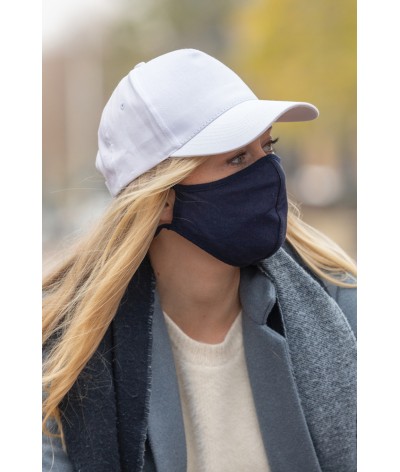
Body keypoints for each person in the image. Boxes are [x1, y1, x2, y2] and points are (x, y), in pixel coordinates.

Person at [42, 49, 356, 472]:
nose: (269, 172)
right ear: (162, 197)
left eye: (268, 146)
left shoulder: (338, 304)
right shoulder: (63, 360)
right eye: (238, 158)